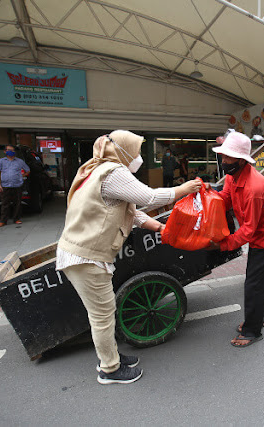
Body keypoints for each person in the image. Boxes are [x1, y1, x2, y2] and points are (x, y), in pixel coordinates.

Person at [56, 130, 202, 384]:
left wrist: (159, 228)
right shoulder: (113, 172)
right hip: (86, 257)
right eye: (134, 152)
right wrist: (184, 188)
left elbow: (131, 212)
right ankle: (109, 370)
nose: (137, 157)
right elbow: (149, 198)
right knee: (101, 315)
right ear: (121, 151)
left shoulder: (97, 168)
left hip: (80, 252)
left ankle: (110, 356)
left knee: (105, 310)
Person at [208, 131, 264, 347]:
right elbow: (225, 198)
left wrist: (223, 245)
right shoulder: (234, 176)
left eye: (227, 157)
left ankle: (252, 331)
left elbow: (249, 230)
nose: (224, 161)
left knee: (255, 284)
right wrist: (207, 196)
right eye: (223, 157)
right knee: (256, 282)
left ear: (241, 160)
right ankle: (255, 320)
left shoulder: (254, 188)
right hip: (257, 236)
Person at [0, 145, 30, 228]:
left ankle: (16, 219)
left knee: (17, 203)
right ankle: (3, 221)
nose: (11, 151)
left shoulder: (20, 161)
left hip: (17, 185)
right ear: (5, 151)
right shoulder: (1, 161)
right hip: (5, 185)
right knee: (5, 204)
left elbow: (28, 170)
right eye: (9, 150)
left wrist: (21, 176)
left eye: (12, 150)